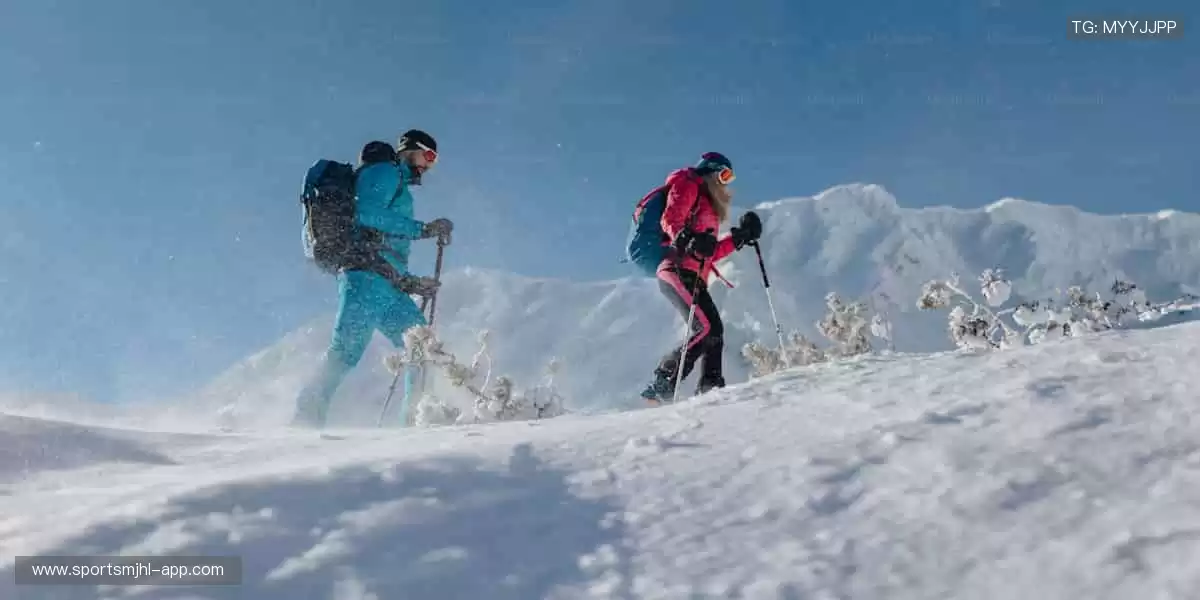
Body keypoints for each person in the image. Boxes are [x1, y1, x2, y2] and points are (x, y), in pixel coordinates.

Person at [292, 130, 454, 428]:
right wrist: (423, 229)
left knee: (420, 347)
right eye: (428, 156)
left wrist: (410, 283)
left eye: (435, 161)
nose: (429, 166)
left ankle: (417, 426)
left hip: (385, 283)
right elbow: (366, 213)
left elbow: (384, 248)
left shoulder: (398, 185)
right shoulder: (386, 171)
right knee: (345, 352)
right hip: (364, 278)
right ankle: (304, 421)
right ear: (410, 150)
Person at [640, 152, 762, 405]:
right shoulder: (688, 183)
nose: (725, 182)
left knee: (714, 330)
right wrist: (687, 237)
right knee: (705, 328)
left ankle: (711, 387)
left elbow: (710, 252)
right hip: (675, 269)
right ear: (710, 171)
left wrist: (739, 238)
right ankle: (664, 380)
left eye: (730, 178)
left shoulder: (707, 206)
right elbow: (670, 219)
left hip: (694, 274)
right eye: (724, 175)